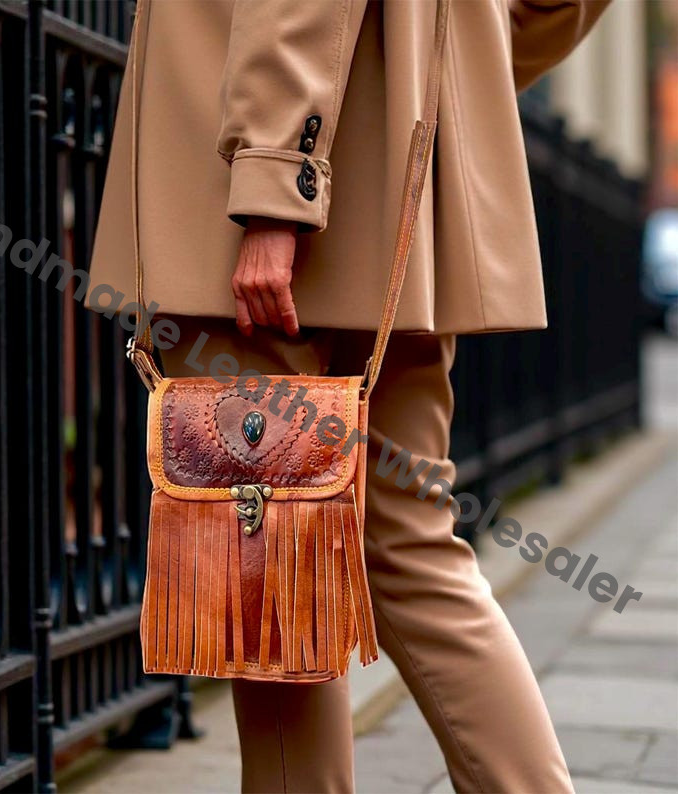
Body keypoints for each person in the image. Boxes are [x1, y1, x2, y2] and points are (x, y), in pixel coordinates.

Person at [86, 1, 611, 790]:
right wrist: (441, 62)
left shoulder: (271, 193)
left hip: (263, 201)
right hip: (399, 184)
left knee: (267, 551)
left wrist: (273, 186)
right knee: (403, 545)